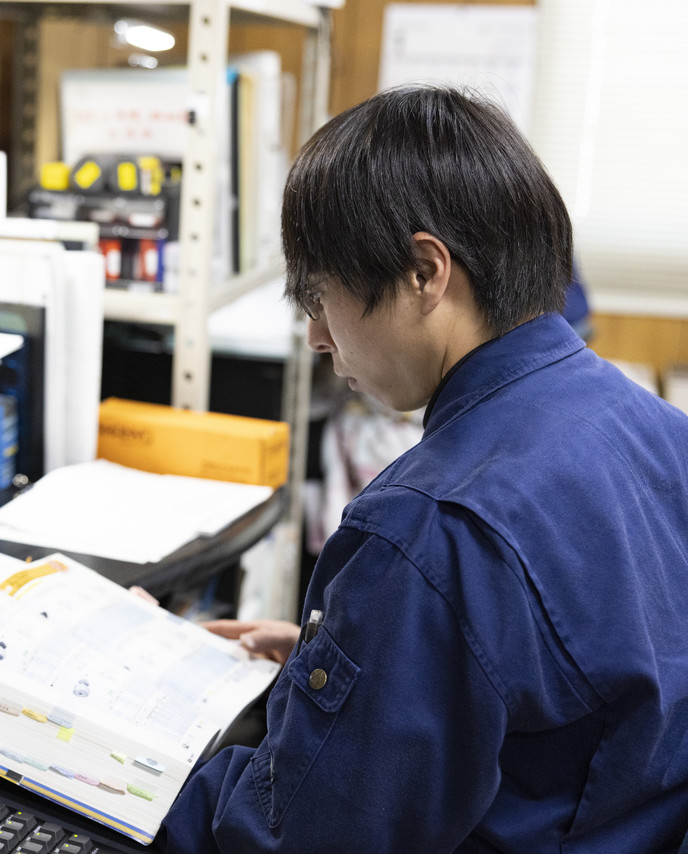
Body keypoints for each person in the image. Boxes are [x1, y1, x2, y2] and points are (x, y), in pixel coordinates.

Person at [157, 85, 688, 853]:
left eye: (319, 296)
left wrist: (103, 773)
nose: (315, 336)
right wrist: (353, 664)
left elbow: (299, 837)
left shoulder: (429, 528)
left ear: (423, 272)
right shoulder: (655, 427)